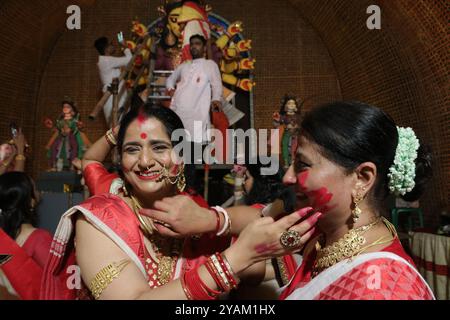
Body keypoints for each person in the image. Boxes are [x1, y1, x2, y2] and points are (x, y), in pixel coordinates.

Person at [142, 101, 435, 300]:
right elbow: (266, 215)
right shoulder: (324, 235)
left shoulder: (382, 286)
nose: (287, 178)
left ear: (362, 177)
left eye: (303, 165)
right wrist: (212, 221)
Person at [40, 102, 318, 300]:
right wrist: (232, 260)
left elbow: (257, 241)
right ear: (120, 160)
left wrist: (215, 222)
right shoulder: (99, 219)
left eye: (159, 147)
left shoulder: (190, 211)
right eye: (132, 149)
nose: (145, 161)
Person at [0, 172, 53, 299]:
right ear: (30, 202)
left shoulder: (3, 239)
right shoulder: (40, 239)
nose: (38, 193)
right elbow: (56, 285)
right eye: (35, 189)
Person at [166, 34, 222, 147]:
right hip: (178, 110)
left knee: (195, 147)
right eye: (192, 44)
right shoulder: (184, 65)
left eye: (197, 44)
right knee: (178, 145)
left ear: (204, 48)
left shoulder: (210, 65)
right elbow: (170, 79)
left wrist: (216, 99)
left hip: (197, 113)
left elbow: (216, 84)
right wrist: (171, 89)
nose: (194, 47)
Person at [94, 36, 133, 124]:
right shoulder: (106, 61)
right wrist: (125, 46)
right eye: (111, 44)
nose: (113, 45)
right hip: (113, 94)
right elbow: (129, 60)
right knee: (119, 122)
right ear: (106, 48)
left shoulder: (105, 60)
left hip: (116, 92)